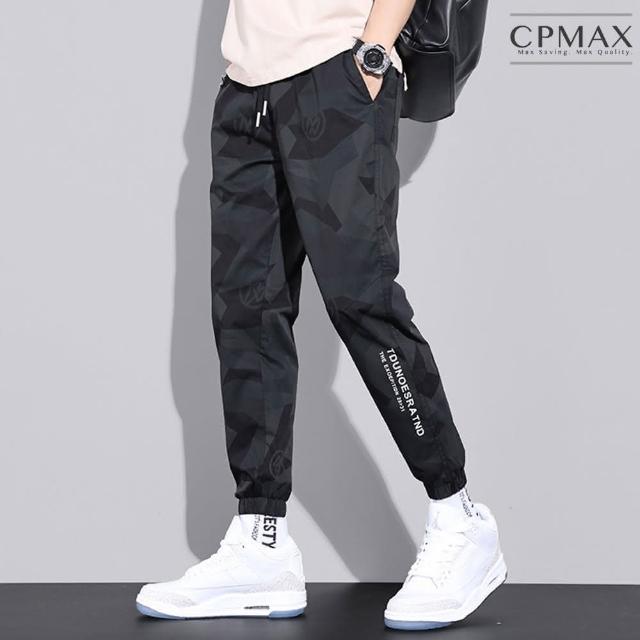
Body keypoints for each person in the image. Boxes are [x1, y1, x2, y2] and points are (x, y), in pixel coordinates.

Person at [136, 0, 506, 630]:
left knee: (362, 299)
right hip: (246, 87)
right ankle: (261, 542)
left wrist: (373, 53)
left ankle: (459, 516)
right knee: (246, 313)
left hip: (338, 69)